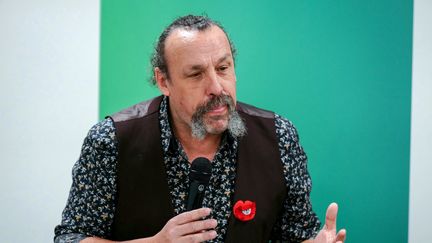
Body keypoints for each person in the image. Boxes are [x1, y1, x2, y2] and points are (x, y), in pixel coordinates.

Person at [54, 15, 346, 243]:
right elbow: (70, 237)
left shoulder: (279, 137)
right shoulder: (112, 140)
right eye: (196, 74)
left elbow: (294, 236)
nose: (217, 88)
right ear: (164, 81)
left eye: (223, 68)